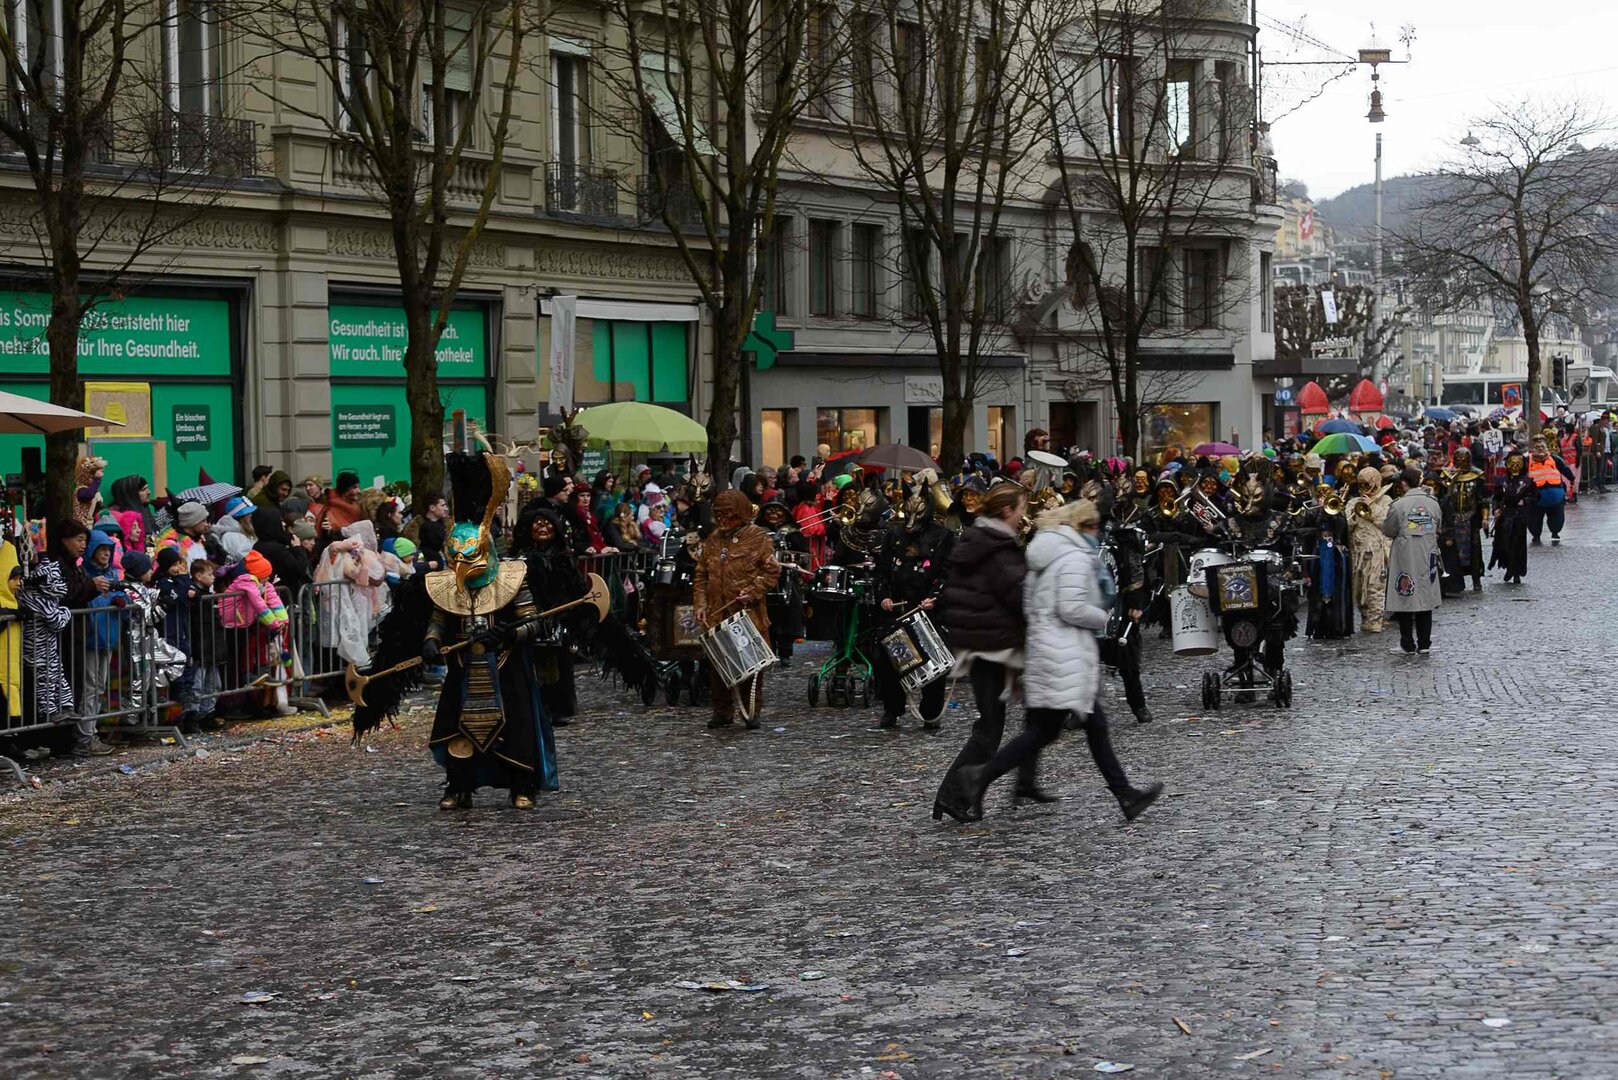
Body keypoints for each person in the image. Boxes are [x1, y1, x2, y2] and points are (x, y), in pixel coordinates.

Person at [355, 452, 559, 811]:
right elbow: (439, 618)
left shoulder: (514, 577)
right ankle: (459, 786)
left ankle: (522, 785)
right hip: (463, 666)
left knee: (517, 728)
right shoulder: (447, 584)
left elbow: (533, 620)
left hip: (506, 666)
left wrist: (508, 635)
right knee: (456, 730)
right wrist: (431, 642)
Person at [942, 499, 1163, 823]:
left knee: (1055, 730)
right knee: (1073, 728)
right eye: (1094, 527)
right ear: (1083, 527)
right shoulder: (1074, 556)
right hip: (1065, 653)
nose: (1098, 533)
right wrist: (1102, 618)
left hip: (1049, 650)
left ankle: (1121, 794)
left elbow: (1031, 603)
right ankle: (981, 776)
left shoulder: (1046, 553)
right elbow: (1071, 608)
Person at [932, 482, 1028, 821]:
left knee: (991, 724)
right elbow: (1018, 596)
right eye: (1020, 508)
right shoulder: (997, 547)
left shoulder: (977, 539)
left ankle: (956, 796)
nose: (1023, 515)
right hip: (992, 646)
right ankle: (952, 796)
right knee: (989, 728)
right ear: (1007, 510)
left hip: (980, 642)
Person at [692, 489, 780, 730]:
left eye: (727, 514)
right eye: (718, 514)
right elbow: (701, 574)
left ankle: (751, 711)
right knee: (718, 664)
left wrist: (753, 591)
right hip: (716, 613)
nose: (722, 519)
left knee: (751, 664)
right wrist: (700, 604)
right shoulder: (713, 539)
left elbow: (772, 571)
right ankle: (722, 712)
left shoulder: (758, 537)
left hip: (747, 613)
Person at [871, 479, 951, 729]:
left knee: (932, 663)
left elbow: (949, 573)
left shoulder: (942, 536)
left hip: (927, 608)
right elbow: (882, 570)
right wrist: (883, 595)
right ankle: (892, 709)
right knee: (891, 663)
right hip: (896, 608)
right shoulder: (894, 534)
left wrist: (936, 596)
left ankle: (931, 713)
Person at [23, 527, 88, 749]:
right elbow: (57, 620)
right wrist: (66, 612)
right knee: (45, 678)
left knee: (57, 674)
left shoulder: (45, 596)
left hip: (48, 645)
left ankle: (66, 706)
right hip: (36, 647)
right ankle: (50, 710)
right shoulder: (35, 598)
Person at [1383, 468, 1443, 654]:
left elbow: (1389, 530)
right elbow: (1439, 525)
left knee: (1405, 596)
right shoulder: (1433, 503)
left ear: (1403, 483)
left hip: (1405, 555)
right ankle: (1424, 643)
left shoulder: (1398, 505)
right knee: (1426, 596)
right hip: (1427, 553)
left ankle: (1407, 643)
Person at [1346, 467, 1393, 634]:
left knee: (1375, 586)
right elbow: (1347, 526)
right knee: (1359, 589)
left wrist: (1371, 508)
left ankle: (1375, 619)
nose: (1365, 487)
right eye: (1362, 484)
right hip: (1357, 551)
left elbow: (1387, 523)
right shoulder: (1353, 502)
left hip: (1376, 553)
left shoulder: (1386, 500)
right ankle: (1365, 617)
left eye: (1368, 483)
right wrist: (1354, 513)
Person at [1439, 449, 1486, 595]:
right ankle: (1453, 581)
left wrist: (1485, 517)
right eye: (1458, 459)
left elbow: (1482, 500)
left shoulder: (1477, 476)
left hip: (1470, 518)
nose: (1461, 462)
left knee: (1474, 550)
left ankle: (1476, 578)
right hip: (1452, 518)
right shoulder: (1447, 475)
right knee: (1451, 552)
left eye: (1464, 459)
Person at [1490, 448, 1534, 584]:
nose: (1515, 466)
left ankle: (1515, 572)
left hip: (1519, 517)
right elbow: (1496, 498)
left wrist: (1525, 501)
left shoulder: (1528, 481)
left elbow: (1534, 497)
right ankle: (1508, 566)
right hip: (1505, 516)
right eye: (1512, 463)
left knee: (1517, 545)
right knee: (1504, 544)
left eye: (1517, 463)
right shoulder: (1502, 481)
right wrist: (1495, 509)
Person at [1525, 437, 1571, 546]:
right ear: (1533, 449)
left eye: (1542, 447)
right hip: (1535, 496)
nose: (1540, 449)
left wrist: (1572, 478)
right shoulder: (1527, 460)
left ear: (1547, 448)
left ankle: (1555, 532)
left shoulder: (1554, 458)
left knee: (1557, 517)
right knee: (1534, 518)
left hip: (1555, 496)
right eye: (1537, 447)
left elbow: (1565, 468)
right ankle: (1536, 535)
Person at [108, 475, 156, 550]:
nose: (149, 492)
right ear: (132, 494)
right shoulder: (116, 517)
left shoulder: (144, 509)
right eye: (143, 489)